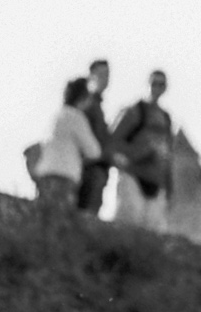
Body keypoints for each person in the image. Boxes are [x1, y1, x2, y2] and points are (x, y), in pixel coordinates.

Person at [112, 70, 174, 231]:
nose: (157, 88)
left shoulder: (166, 119)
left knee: (153, 232)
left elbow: (168, 156)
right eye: (154, 83)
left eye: (161, 84)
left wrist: (169, 189)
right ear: (148, 84)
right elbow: (113, 142)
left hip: (156, 182)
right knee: (128, 226)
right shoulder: (135, 111)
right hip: (133, 176)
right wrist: (138, 152)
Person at [32, 78, 101, 212]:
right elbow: (94, 151)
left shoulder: (57, 114)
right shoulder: (76, 117)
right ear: (83, 97)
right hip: (64, 176)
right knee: (59, 220)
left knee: (43, 217)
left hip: (45, 174)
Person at [77, 60, 115, 217]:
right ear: (90, 76)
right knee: (85, 217)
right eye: (100, 74)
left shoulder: (97, 106)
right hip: (88, 170)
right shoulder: (86, 104)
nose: (104, 78)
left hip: (97, 170)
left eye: (107, 75)